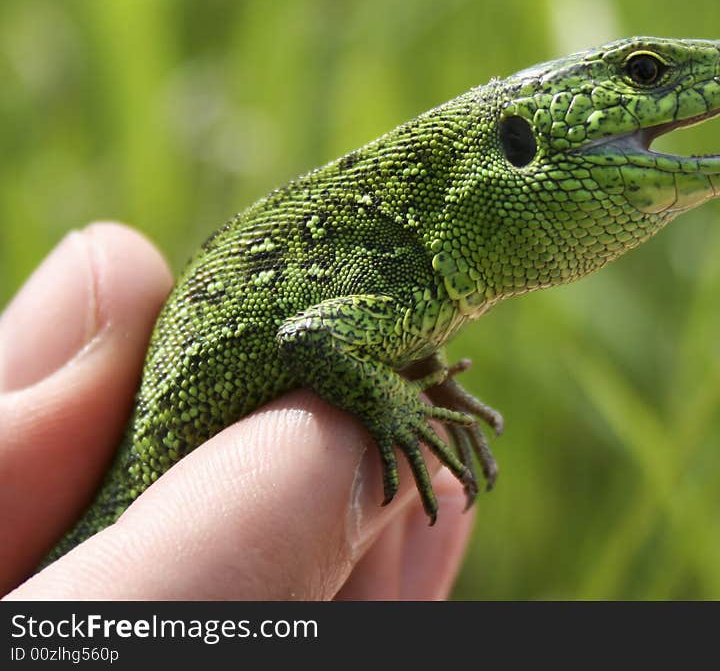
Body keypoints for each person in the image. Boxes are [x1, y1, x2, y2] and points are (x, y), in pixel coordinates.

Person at [0, 223, 474, 600]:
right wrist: (394, 405)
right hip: (134, 483)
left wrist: (428, 385)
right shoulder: (412, 279)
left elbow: (381, 333)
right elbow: (311, 338)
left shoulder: (415, 282)